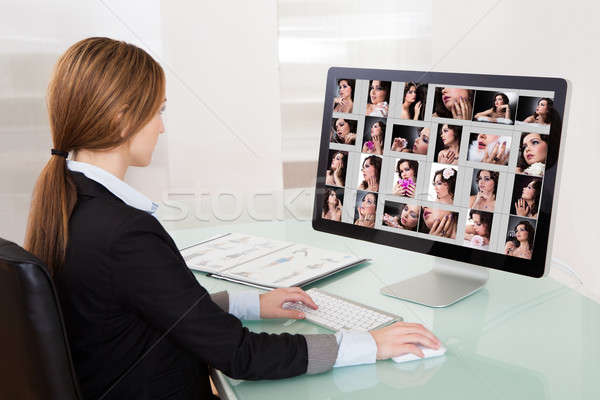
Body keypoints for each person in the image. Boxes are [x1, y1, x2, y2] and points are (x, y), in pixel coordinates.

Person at [24, 37, 440, 400]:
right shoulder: (124, 234)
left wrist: (250, 303)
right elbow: (241, 355)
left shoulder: (74, 204)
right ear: (121, 118)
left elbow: (153, 306)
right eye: (158, 112)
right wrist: (369, 344)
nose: (161, 129)